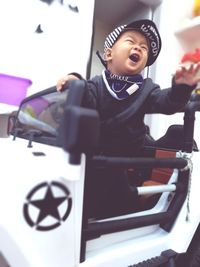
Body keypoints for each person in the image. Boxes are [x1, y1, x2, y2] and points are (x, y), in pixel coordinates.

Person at [56, 19, 200, 218]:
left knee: (121, 205)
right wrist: (74, 80)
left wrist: (182, 87)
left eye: (144, 48)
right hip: (92, 161)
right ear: (109, 54)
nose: (138, 48)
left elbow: (167, 103)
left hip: (123, 163)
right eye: (131, 41)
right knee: (82, 202)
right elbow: (85, 97)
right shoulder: (96, 85)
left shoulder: (147, 89)